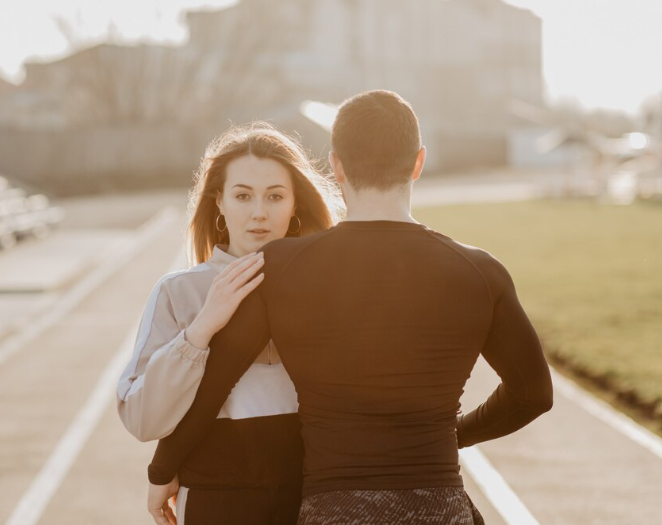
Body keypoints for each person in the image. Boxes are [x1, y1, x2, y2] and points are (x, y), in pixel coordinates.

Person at [146, 90, 554, 524]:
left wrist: (162, 470)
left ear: (337, 166)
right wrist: (451, 436)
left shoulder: (281, 267)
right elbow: (532, 395)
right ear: (417, 162)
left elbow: (215, 379)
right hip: (439, 506)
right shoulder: (480, 272)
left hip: (335, 511)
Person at [116, 122, 339, 525]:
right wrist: (201, 330)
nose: (259, 212)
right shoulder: (177, 293)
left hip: (313, 497)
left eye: (275, 196)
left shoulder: (328, 288)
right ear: (219, 202)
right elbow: (141, 419)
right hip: (214, 503)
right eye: (242, 196)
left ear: (295, 205)